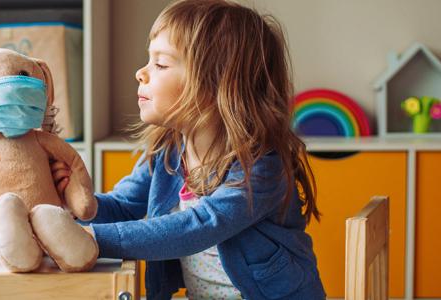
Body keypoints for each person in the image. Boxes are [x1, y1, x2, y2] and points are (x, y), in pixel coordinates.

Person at [51, 0, 325, 298]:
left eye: (160, 63)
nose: (140, 73)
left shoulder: (260, 166)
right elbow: (122, 206)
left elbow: (196, 226)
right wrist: (74, 203)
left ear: (217, 84)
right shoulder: (166, 151)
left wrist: (90, 240)